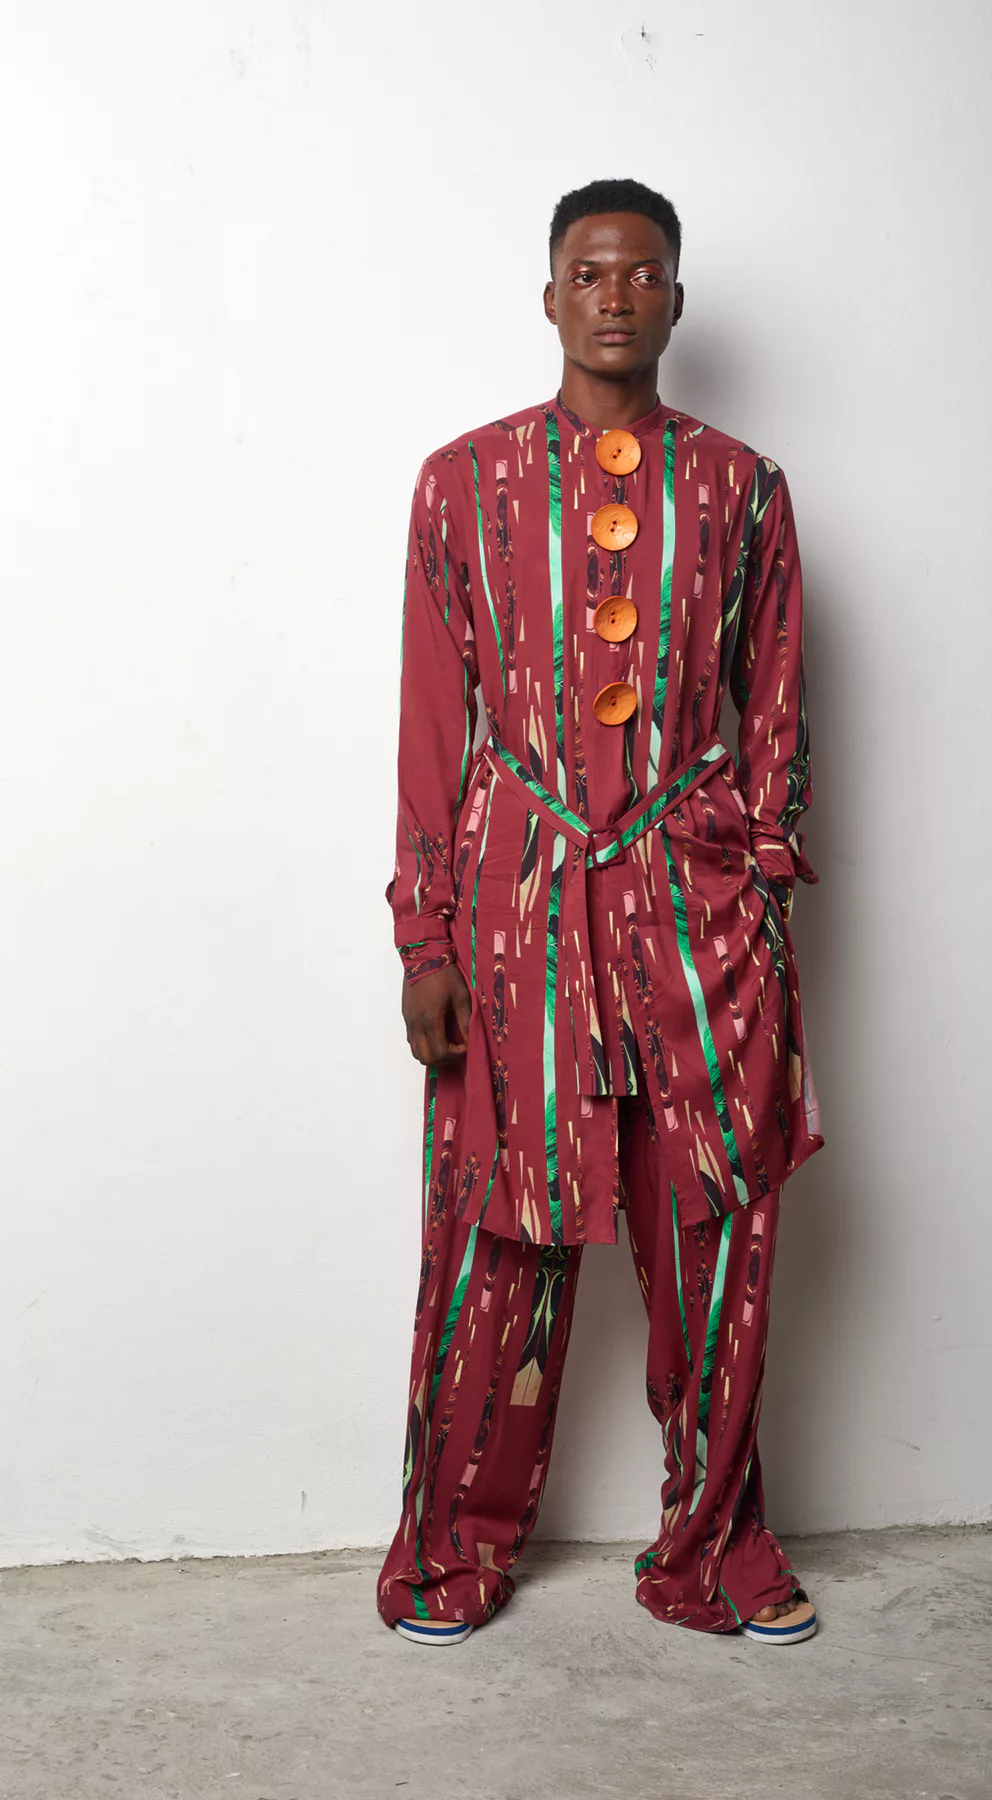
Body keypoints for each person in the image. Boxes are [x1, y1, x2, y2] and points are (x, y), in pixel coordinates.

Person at [377, 178, 824, 1648]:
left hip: (699, 918)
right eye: (589, 272)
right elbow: (433, 732)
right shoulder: (463, 483)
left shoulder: (745, 489)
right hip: (517, 911)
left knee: (715, 1225)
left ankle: (717, 1546)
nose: (616, 295)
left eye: (642, 274)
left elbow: (777, 710)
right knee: (500, 1227)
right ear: (550, 296)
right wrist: (426, 939)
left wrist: (761, 892)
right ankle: (454, 1546)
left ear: (675, 301)